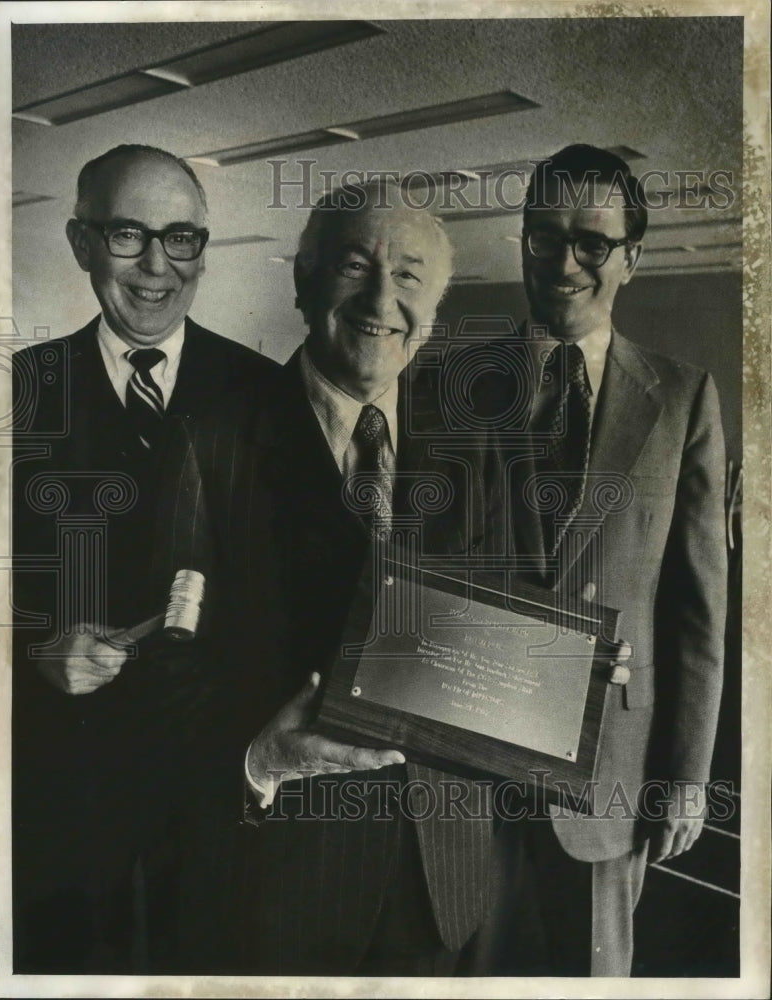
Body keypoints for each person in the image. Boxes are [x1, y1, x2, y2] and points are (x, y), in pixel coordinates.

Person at [151, 179, 513, 976]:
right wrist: (257, 758)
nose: (382, 298)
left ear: (434, 307)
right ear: (304, 282)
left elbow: (497, 618)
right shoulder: (210, 441)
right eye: (355, 267)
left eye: (409, 276)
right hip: (284, 877)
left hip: (443, 872)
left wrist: (566, 671)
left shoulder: (473, 440)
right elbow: (167, 664)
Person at [11, 144, 277, 973]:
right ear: (81, 242)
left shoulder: (267, 395)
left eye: (180, 237)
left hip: (213, 791)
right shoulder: (14, 393)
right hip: (61, 790)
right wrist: (31, 650)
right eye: (128, 235)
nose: (157, 266)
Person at [483, 144, 727, 976]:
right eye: (545, 237)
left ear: (632, 257)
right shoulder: (448, 384)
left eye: (591, 242)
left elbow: (697, 611)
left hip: (610, 775)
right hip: (465, 765)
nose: (565, 264)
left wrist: (686, 777)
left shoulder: (683, 398)